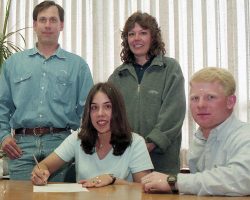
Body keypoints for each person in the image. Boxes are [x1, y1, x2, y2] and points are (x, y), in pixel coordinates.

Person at [0, 1, 93, 180]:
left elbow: (87, 112)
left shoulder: (78, 66)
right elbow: (2, 105)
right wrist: (3, 136)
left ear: (62, 25)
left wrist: (83, 145)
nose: (48, 25)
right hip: (21, 148)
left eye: (53, 20)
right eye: (43, 20)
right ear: (35, 25)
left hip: (61, 146)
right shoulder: (13, 64)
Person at [141, 67, 250, 196]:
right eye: (195, 98)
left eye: (210, 97)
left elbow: (242, 179)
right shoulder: (199, 139)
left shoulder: (245, 136)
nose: (201, 105)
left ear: (230, 102)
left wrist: (174, 182)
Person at [31, 82, 154, 186]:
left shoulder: (136, 142)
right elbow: (44, 165)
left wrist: (112, 180)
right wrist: (40, 173)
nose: (100, 113)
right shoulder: (78, 137)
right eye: (94, 108)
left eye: (107, 107)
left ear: (118, 110)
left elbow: (143, 189)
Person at [108, 11, 186, 174]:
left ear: (153, 37)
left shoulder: (170, 69)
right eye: (131, 34)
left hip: (162, 163)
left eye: (143, 33)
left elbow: (174, 112)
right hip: (126, 162)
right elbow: (109, 116)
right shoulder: (117, 76)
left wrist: (150, 143)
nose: (136, 38)